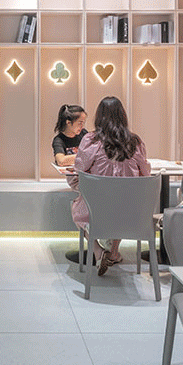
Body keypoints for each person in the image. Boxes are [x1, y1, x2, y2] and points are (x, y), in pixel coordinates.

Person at [69, 96, 149, 276]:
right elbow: (145, 175)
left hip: (97, 208)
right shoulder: (135, 142)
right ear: (123, 116)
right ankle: (113, 252)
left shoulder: (91, 140)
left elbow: (79, 170)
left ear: (99, 117)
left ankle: (98, 252)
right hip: (131, 212)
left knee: (78, 207)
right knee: (123, 199)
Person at [51, 104, 87, 168]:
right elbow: (61, 161)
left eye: (83, 123)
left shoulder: (84, 133)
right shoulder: (59, 140)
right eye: (80, 123)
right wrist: (85, 156)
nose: (82, 126)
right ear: (68, 122)